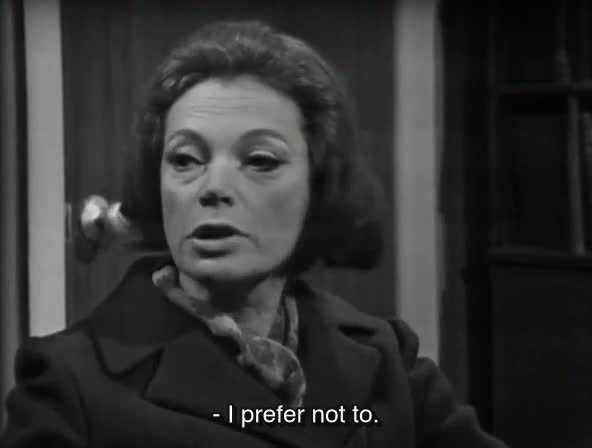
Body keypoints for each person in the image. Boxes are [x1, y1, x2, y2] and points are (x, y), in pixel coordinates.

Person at [1, 20, 508, 447]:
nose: (213, 188)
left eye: (260, 161)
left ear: (318, 185)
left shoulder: (388, 360)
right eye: (185, 159)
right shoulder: (69, 382)